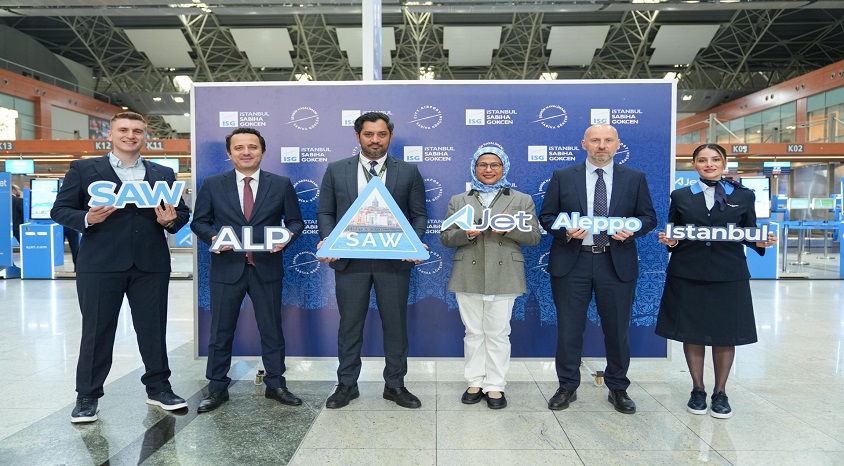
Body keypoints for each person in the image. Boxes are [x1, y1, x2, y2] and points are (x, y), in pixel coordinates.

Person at [51, 111, 190, 423]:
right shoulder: (84, 169)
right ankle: (87, 396)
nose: (131, 135)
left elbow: (181, 213)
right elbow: (59, 210)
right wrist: (87, 218)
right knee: (97, 330)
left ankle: (159, 388)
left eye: (138, 131)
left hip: (150, 263)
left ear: (145, 136)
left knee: (153, 328)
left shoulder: (163, 173)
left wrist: (172, 221)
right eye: (124, 130)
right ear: (110, 135)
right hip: (100, 264)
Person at [538, 123, 657, 414]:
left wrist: (632, 230)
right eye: (595, 140)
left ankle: (618, 388)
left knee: (617, 330)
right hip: (573, 261)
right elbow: (547, 216)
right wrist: (565, 230)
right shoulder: (563, 176)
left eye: (607, 140)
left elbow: (648, 218)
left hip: (616, 263)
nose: (601, 146)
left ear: (617, 144)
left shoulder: (635, 178)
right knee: (569, 330)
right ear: (584, 144)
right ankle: (567, 386)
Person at [656, 143, 777, 419]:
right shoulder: (680, 195)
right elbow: (675, 233)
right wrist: (671, 242)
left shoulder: (744, 195)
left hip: (729, 274)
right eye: (702, 160)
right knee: (692, 332)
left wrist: (760, 242)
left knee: (726, 333)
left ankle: (720, 392)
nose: (708, 164)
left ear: (724, 163)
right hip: (688, 273)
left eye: (714, 159)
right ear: (694, 165)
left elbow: (748, 231)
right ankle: (697, 389)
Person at [316, 111, 428, 409]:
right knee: (350, 326)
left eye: (381, 134)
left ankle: (395, 385)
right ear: (358, 136)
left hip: (394, 261)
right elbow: (325, 211)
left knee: (395, 325)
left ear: (390, 136)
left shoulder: (408, 171)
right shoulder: (336, 170)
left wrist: (413, 243)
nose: (375, 140)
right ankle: (346, 384)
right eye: (368, 134)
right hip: (350, 261)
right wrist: (330, 240)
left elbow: (419, 215)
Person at [191, 127, 305, 412]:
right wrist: (213, 238)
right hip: (226, 268)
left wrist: (286, 238)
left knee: (272, 330)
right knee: (220, 332)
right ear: (229, 153)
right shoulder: (213, 184)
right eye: (239, 147)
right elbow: (199, 222)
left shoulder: (280, 184)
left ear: (262, 152)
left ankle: (276, 384)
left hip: (266, 268)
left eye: (252, 147)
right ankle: (217, 387)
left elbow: (295, 222)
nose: (246, 152)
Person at [440, 147, 540, 409]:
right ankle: (474, 381)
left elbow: (534, 237)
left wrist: (509, 230)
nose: (488, 169)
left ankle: (495, 384)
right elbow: (446, 237)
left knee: (498, 333)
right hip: (468, 272)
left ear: (504, 167)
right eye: (482, 164)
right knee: (473, 332)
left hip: (505, 273)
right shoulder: (459, 200)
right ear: (474, 168)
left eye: (495, 164)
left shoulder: (521, 199)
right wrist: (467, 234)